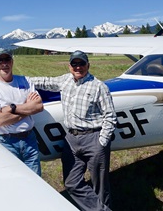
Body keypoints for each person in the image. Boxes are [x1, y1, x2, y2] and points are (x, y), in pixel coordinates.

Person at [28, 50, 117, 210]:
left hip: (93, 138)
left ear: (88, 65)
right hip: (71, 139)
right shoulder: (65, 80)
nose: (78, 67)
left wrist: (101, 142)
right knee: (71, 183)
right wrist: (20, 81)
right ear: (69, 66)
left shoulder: (99, 86)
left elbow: (110, 116)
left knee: (100, 186)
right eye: (74, 64)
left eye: (81, 63)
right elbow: (45, 81)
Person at [0, 48, 44, 176]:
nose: (4, 63)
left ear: (12, 62)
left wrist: (12, 108)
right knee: (10, 181)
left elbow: (38, 107)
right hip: (5, 142)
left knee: (35, 181)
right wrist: (27, 108)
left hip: (29, 140)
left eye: (7, 59)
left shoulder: (25, 81)